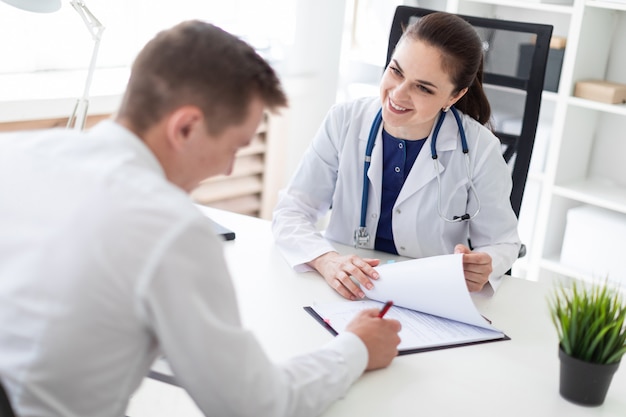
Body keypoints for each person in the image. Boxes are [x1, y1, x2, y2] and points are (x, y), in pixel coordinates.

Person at [0, 21, 401, 417]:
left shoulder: (11, 154)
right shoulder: (169, 229)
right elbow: (256, 405)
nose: (228, 169)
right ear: (187, 127)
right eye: (234, 147)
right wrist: (356, 347)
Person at [272, 12, 521, 300]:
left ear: (454, 96)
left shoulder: (480, 148)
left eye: (423, 88)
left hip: (427, 295)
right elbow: (291, 211)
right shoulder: (344, 120)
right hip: (344, 287)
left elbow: (502, 242)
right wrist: (326, 260)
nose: (398, 94)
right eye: (396, 71)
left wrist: (484, 265)